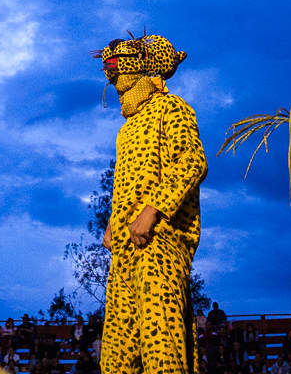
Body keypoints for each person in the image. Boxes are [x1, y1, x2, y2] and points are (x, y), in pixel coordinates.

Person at [94, 33, 208, 374]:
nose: (111, 74)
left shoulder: (172, 108)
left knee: (163, 349)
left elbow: (191, 162)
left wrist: (151, 212)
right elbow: (127, 184)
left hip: (160, 241)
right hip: (125, 249)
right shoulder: (127, 130)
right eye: (108, 67)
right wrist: (114, 223)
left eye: (118, 64)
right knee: (116, 358)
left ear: (144, 66)